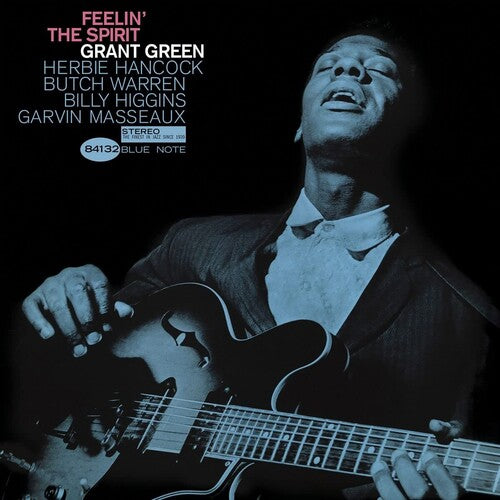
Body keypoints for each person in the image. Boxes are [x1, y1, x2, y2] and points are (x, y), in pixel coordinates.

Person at [20, 31, 499, 499]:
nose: (349, 68)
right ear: (299, 124)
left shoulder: (467, 318)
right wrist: (67, 296)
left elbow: (454, 447)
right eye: (328, 64)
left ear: (411, 129)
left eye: (379, 69)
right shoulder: (194, 242)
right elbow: (89, 356)